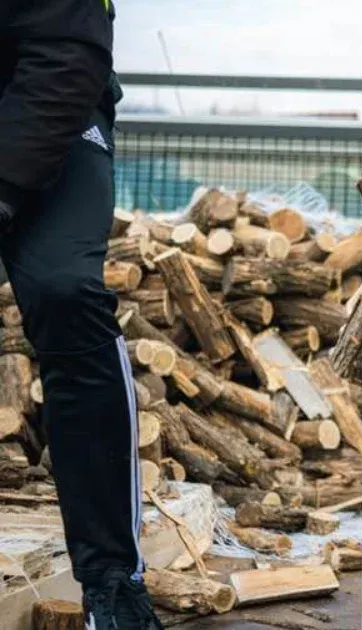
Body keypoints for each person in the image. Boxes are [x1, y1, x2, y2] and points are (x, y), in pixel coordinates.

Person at [0, 2, 161, 629]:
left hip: (53, 102)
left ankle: (113, 582)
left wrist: (6, 189)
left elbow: (70, 51)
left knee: (65, 290)